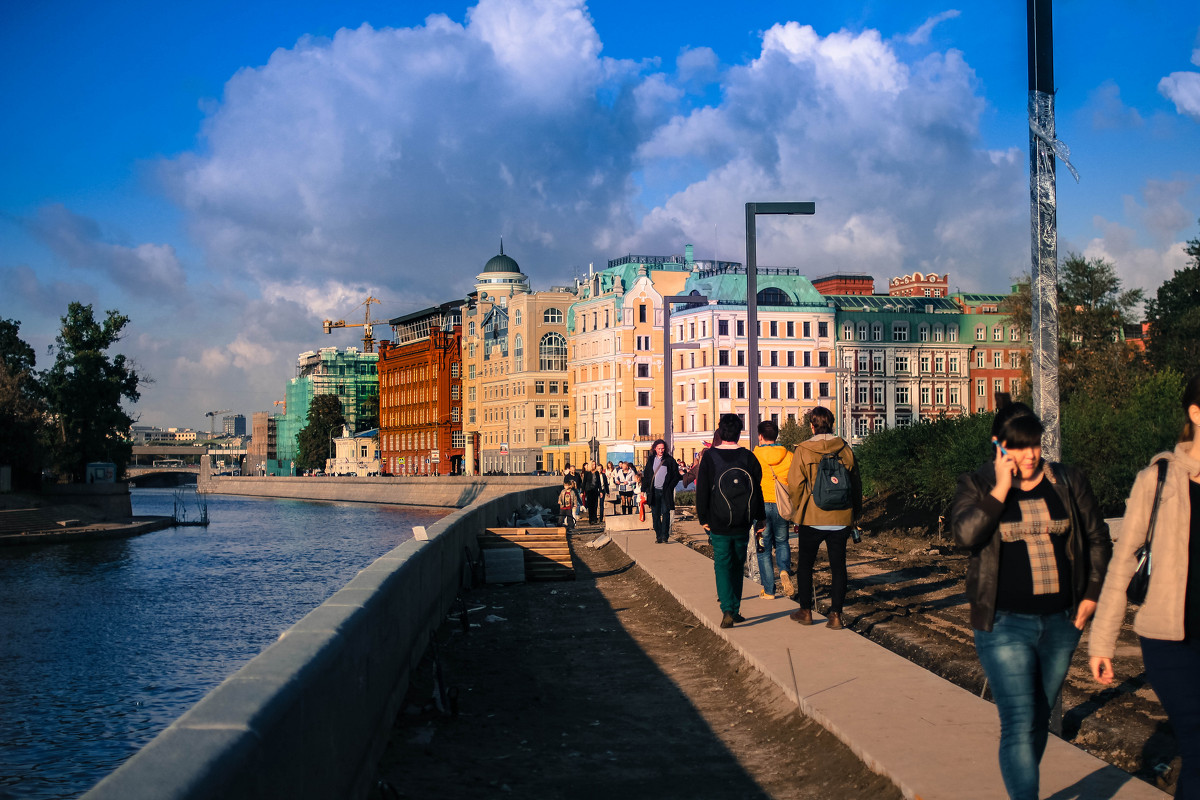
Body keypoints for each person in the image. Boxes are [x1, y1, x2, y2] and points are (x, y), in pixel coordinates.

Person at [951, 401, 1111, 800]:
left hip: (1061, 623)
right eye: (1017, 445)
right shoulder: (976, 484)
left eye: (1033, 444)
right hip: (1004, 624)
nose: (1028, 455)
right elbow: (965, 536)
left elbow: (1096, 538)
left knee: (1038, 718)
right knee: (1020, 719)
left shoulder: (1068, 481)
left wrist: (1091, 595)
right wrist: (1001, 489)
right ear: (998, 444)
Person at [1090, 374, 1200, 799]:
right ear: (1195, 413)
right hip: (1169, 640)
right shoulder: (1157, 480)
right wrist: (1102, 641)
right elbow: (1122, 562)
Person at [785, 406, 861, 630]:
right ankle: (836, 615)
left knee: (806, 566)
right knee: (839, 567)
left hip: (812, 516)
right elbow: (856, 483)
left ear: (812, 425)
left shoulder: (804, 450)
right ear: (833, 423)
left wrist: (798, 509)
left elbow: (795, 484)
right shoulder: (845, 449)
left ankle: (806, 611)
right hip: (841, 517)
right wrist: (855, 513)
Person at [696, 414, 765, 628]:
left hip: (718, 519)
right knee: (738, 564)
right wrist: (760, 518)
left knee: (722, 564)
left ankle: (727, 608)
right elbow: (757, 489)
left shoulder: (710, 457)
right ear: (739, 432)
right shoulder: (748, 457)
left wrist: (703, 517)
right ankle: (734, 610)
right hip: (743, 520)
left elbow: (702, 490)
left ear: (720, 431)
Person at [754, 420, 795, 600]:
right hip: (782, 504)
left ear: (760, 436)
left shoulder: (754, 456)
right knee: (782, 541)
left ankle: (769, 590)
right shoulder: (789, 456)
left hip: (761, 505)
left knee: (763, 547)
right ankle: (784, 570)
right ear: (776, 435)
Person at [641, 439, 681, 543]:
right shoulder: (651, 460)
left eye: (663, 448)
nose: (661, 450)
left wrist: (670, 487)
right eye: (659, 448)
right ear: (655, 448)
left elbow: (676, 476)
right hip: (654, 492)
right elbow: (647, 475)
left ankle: (665, 536)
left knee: (665, 513)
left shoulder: (670, 460)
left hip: (665, 492)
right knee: (655, 514)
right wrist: (643, 489)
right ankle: (658, 535)